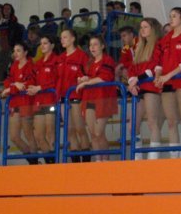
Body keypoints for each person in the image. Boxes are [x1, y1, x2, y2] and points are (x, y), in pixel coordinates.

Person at [153, 7, 181, 157]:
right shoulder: (164, 40)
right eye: (170, 16)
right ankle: (174, 157)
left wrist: (169, 75)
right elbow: (158, 61)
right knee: (171, 122)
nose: (171, 19)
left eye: (174, 16)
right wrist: (158, 76)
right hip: (167, 83)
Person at [127, 18, 166, 159]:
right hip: (139, 87)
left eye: (146, 27)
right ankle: (137, 157)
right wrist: (132, 82)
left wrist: (137, 79)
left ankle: (153, 158)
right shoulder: (140, 47)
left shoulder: (159, 45)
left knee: (152, 122)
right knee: (132, 125)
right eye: (141, 27)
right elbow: (132, 68)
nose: (142, 29)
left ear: (153, 29)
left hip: (151, 87)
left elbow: (155, 66)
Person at [76, 35, 118, 161]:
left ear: (102, 46)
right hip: (89, 99)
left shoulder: (107, 60)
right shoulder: (90, 63)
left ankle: (105, 160)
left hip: (103, 99)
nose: (92, 47)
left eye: (95, 44)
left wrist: (86, 82)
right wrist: (85, 79)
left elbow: (104, 77)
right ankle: (98, 161)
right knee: (93, 134)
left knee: (99, 132)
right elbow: (92, 77)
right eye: (90, 45)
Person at [0, 42, 39, 164]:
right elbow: (8, 82)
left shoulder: (31, 65)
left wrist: (11, 88)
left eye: (18, 50)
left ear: (25, 52)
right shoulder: (14, 66)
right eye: (14, 51)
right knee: (14, 137)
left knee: (28, 134)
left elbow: (27, 85)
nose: (15, 53)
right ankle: (33, 161)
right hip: (14, 103)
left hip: (26, 103)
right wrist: (14, 85)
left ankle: (34, 164)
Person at [57, 28, 91, 162]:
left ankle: (86, 162)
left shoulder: (81, 56)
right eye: (61, 38)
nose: (62, 40)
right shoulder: (60, 58)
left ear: (73, 39)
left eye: (65, 37)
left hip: (77, 96)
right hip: (63, 98)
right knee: (69, 131)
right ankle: (75, 163)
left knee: (80, 129)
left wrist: (84, 79)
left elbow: (88, 74)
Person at [27, 34, 60, 163]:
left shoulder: (56, 60)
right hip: (39, 101)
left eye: (45, 43)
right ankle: (49, 161)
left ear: (52, 45)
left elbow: (56, 80)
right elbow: (32, 79)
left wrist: (40, 87)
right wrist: (30, 87)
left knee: (50, 132)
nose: (42, 46)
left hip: (51, 100)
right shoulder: (38, 63)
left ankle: (53, 163)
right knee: (38, 135)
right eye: (41, 43)